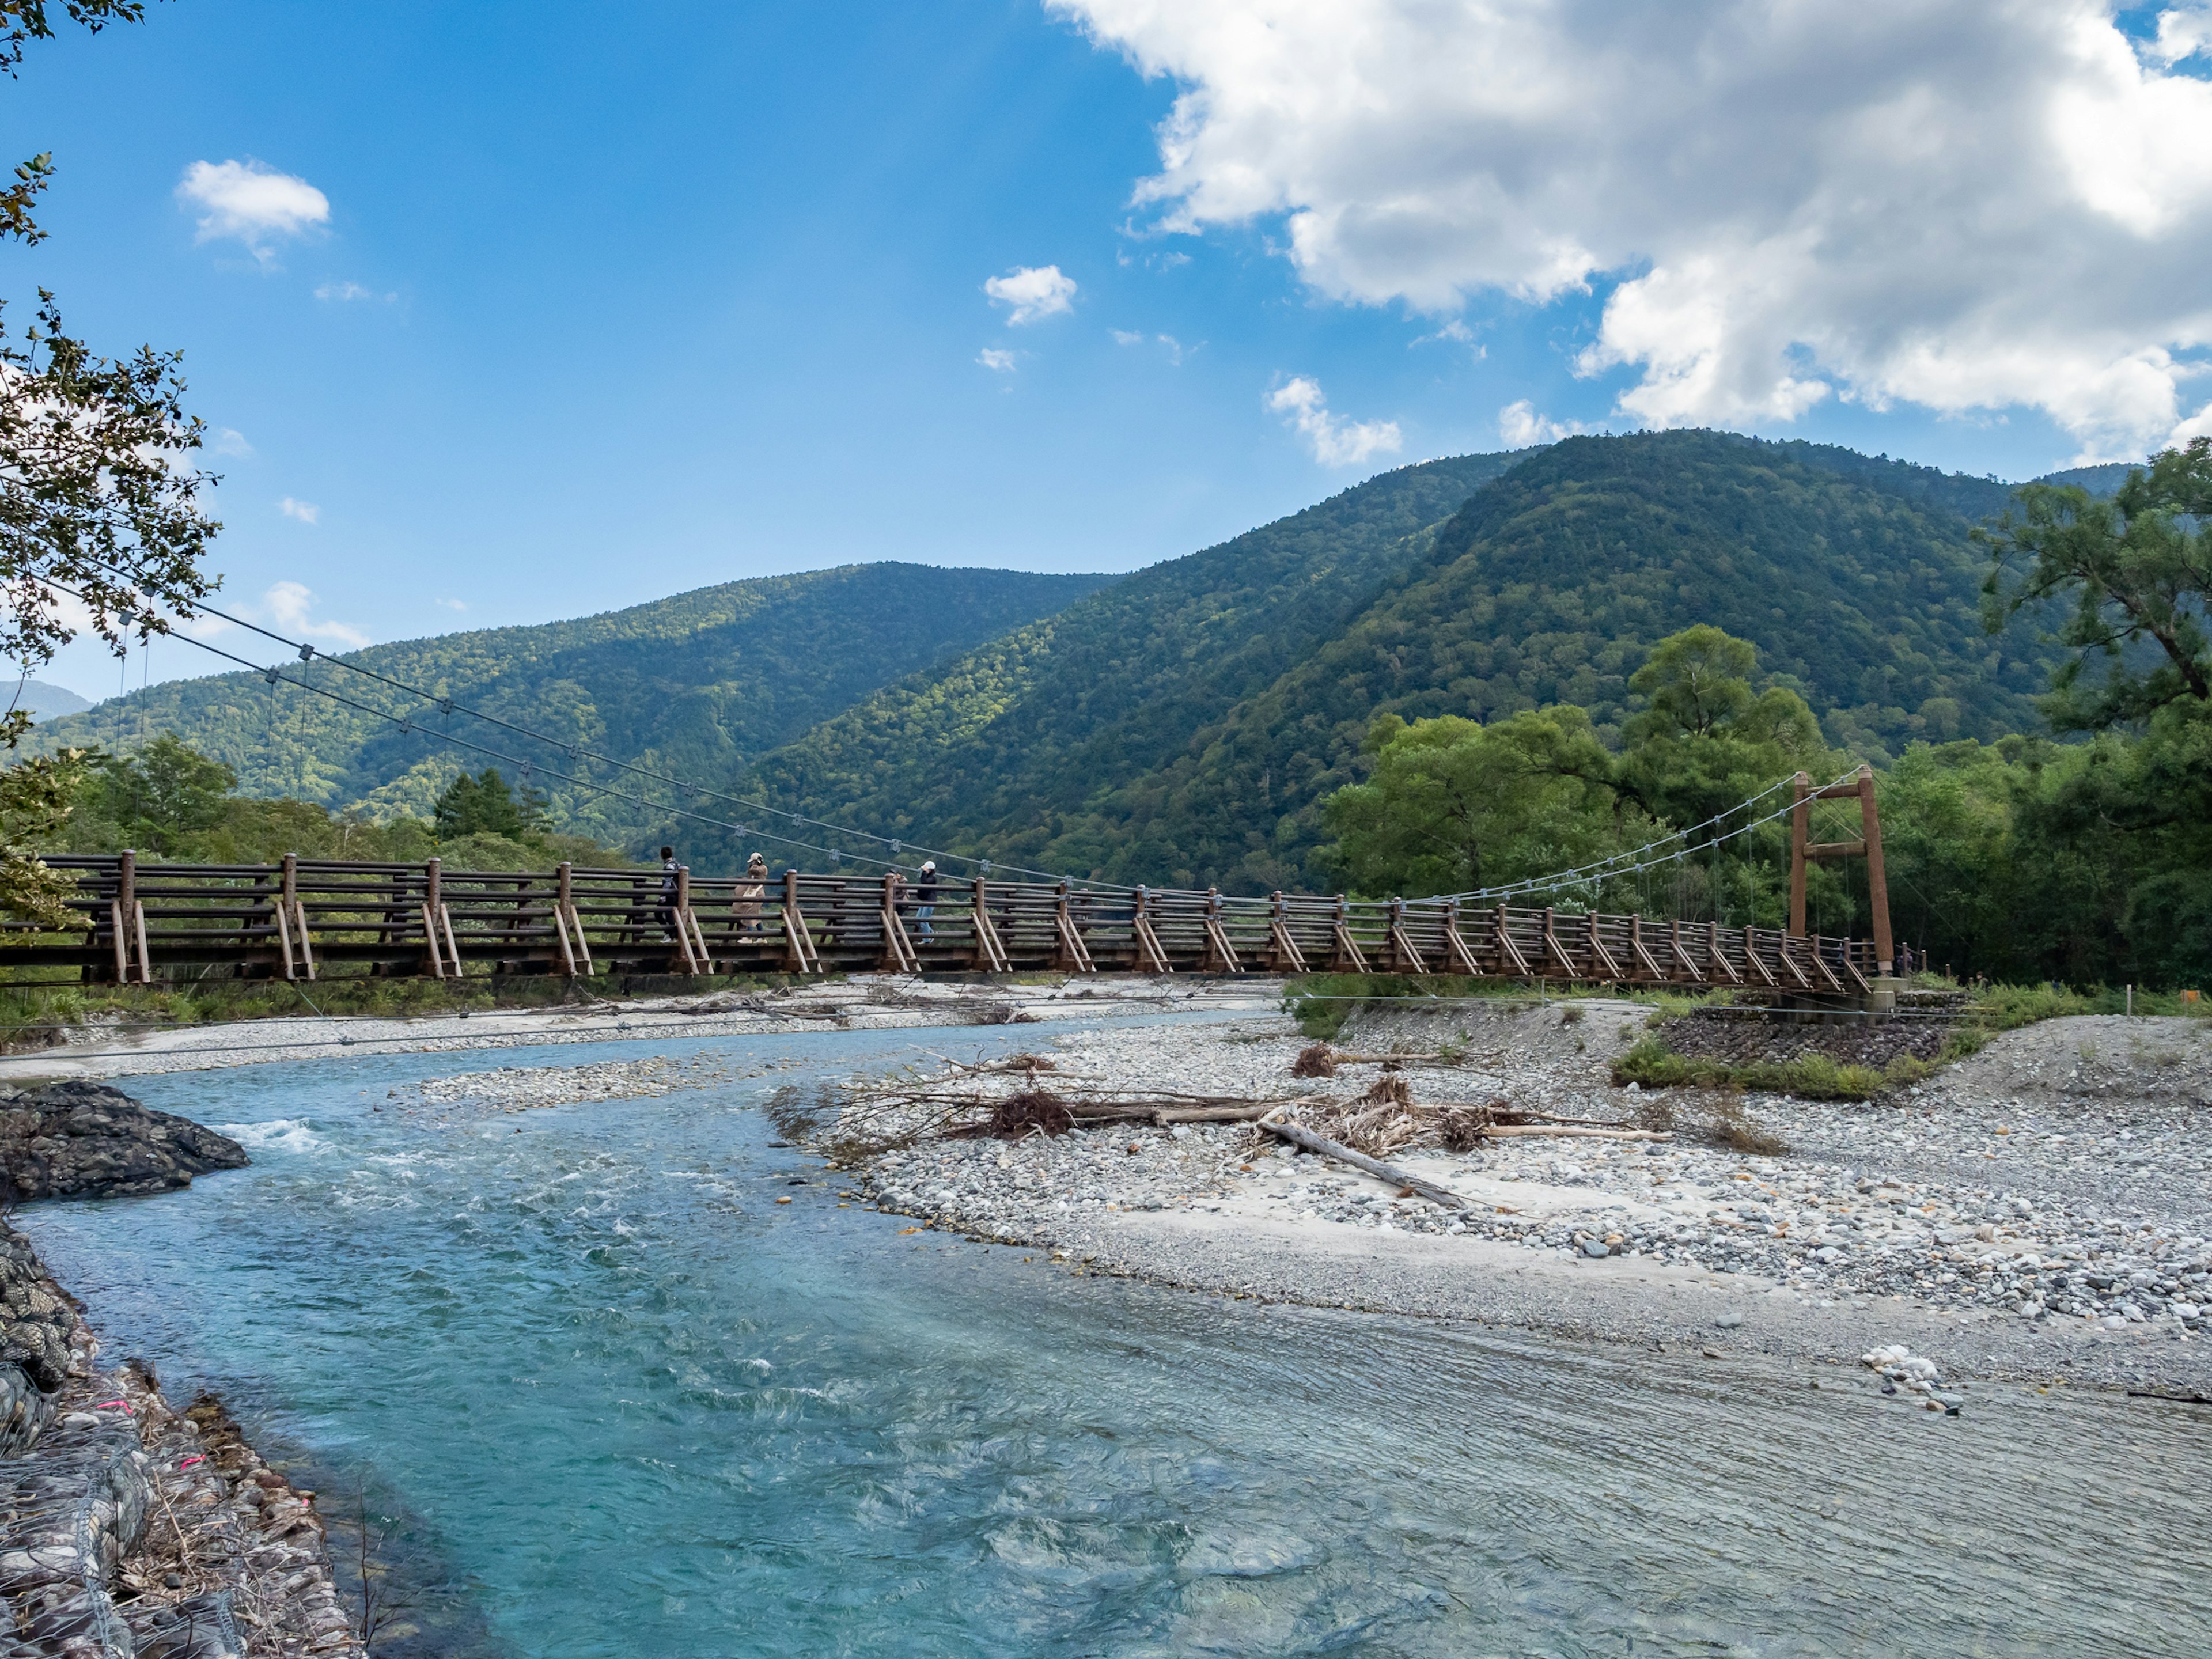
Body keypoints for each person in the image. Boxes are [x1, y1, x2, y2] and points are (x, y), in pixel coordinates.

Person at [734, 853, 767, 935]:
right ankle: (762, 937)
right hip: (753, 893)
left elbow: (756, 871)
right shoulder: (753, 869)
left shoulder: (763, 868)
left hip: (758, 894)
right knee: (756, 916)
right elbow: (751, 872)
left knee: (750, 914)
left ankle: (749, 937)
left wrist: (755, 865)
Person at [657, 845, 680, 940]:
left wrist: (663, 896)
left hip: (669, 894)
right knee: (670, 914)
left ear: (662, 855)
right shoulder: (676, 865)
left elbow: (668, 882)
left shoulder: (668, 866)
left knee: (660, 914)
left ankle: (671, 935)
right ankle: (672, 935)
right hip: (676, 894)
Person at [914, 858, 938, 939]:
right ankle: (931, 933)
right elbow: (923, 881)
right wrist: (924, 873)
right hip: (925, 901)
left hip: (930, 902)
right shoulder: (928, 876)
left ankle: (927, 939)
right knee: (918, 919)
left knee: (923, 921)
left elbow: (925, 883)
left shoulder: (933, 878)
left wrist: (924, 872)